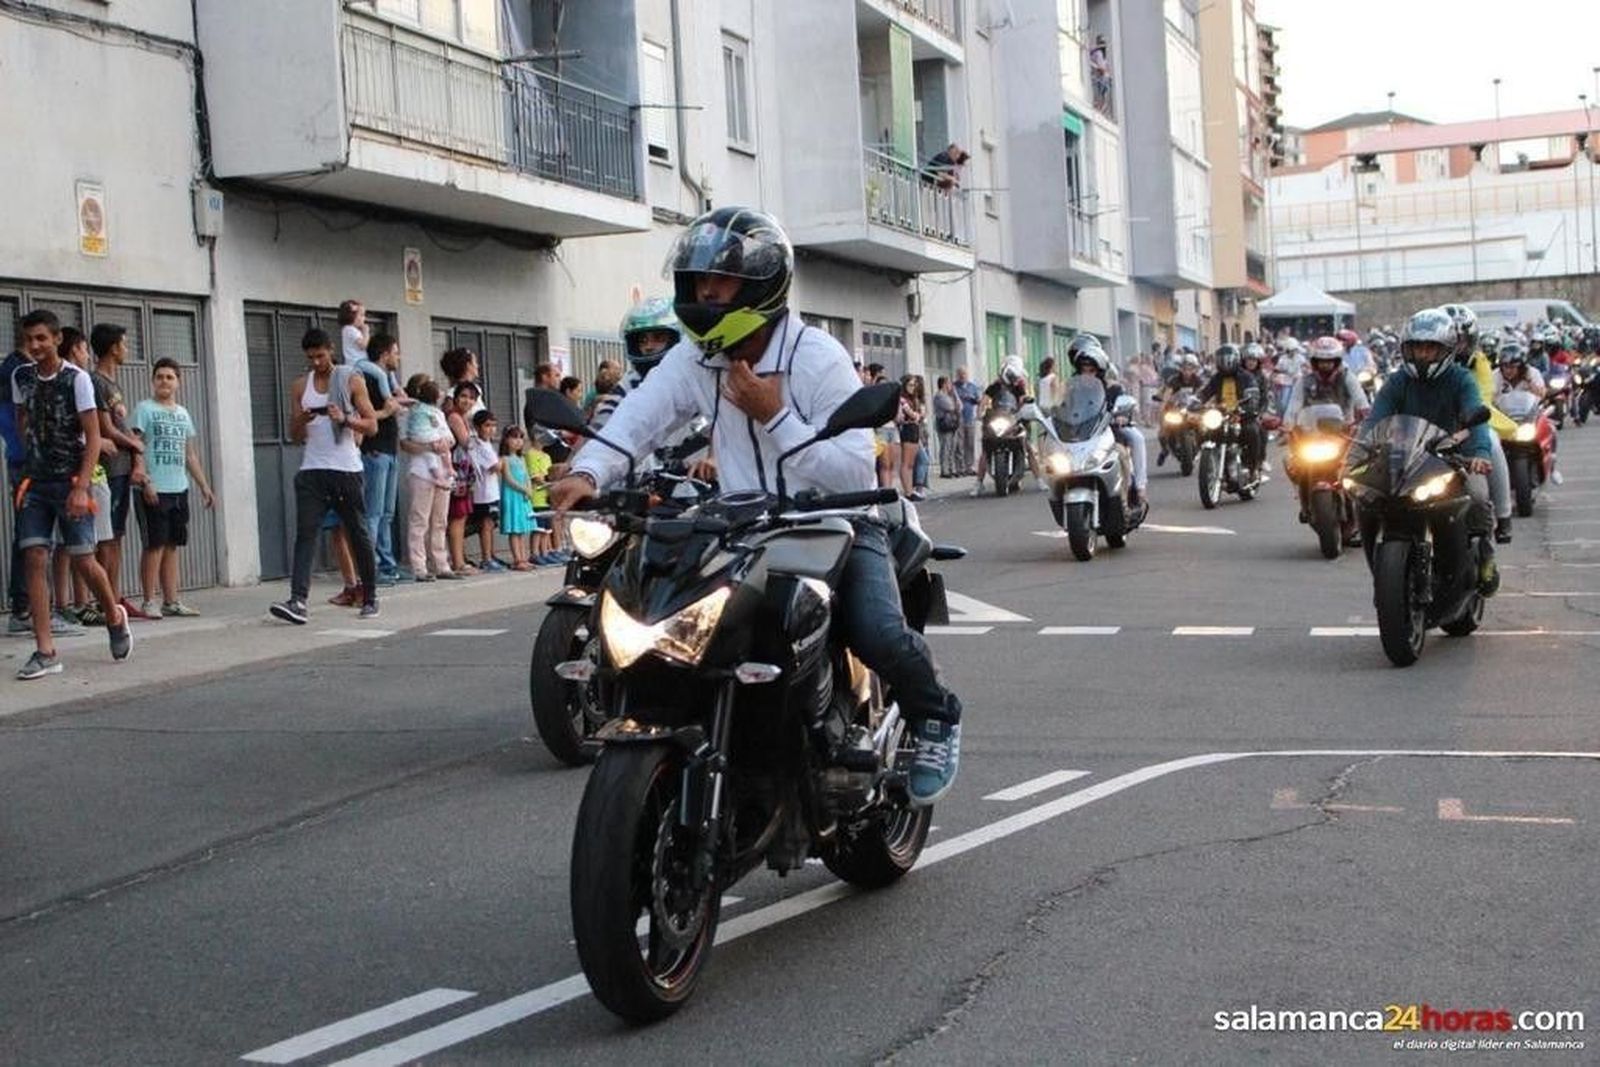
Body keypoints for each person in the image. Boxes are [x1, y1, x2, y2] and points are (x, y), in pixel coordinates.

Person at [546, 205, 963, 805]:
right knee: (678, 625)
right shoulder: (695, 359)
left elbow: (852, 466)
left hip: (836, 522)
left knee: (877, 632)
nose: (704, 294)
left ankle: (936, 718)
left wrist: (776, 414)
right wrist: (588, 470)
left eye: (719, 283)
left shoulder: (814, 357)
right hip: (743, 527)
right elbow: (642, 417)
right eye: (697, 283)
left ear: (761, 286)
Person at [11, 309, 132, 678]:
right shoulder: (21, 377)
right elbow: (22, 423)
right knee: (34, 556)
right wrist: (30, 466)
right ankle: (45, 650)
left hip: (71, 482)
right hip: (35, 483)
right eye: (29, 339)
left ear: (56, 339)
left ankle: (113, 614)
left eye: (42, 338)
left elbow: (94, 436)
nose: (35, 345)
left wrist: (81, 486)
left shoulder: (77, 379)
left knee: (83, 559)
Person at [1357, 308, 1499, 590]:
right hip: (1404, 459)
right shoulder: (1398, 381)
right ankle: (1383, 575)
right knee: (1364, 498)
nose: (1422, 355)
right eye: (1416, 348)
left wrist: (1480, 454)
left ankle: (1485, 556)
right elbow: (1375, 419)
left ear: (1446, 349)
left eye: (1430, 348)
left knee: (1479, 496)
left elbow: (1476, 416)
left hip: (1451, 458)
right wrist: (1360, 452)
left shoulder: (1461, 380)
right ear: (1405, 349)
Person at [268, 328, 381, 625]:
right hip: (312, 469)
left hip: (345, 469)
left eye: (321, 356)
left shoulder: (350, 379)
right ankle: (298, 600)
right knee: (306, 534)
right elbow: (294, 436)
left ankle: (369, 596)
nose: (317, 362)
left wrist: (344, 419)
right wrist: (300, 420)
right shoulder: (299, 386)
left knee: (358, 532)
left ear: (331, 350)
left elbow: (372, 426)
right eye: (311, 358)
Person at [129, 358, 215, 617]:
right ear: (153, 381)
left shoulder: (183, 414)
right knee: (154, 545)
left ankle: (171, 600)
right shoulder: (144, 409)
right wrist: (145, 480)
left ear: (178, 382)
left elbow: (190, 455)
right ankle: (148, 601)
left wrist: (204, 487)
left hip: (179, 488)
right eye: (160, 376)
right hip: (154, 489)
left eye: (169, 377)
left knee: (171, 545)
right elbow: (136, 446)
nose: (164, 381)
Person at [1441, 304, 1515, 544]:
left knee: (1492, 443)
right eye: (1451, 338)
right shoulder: (1427, 361)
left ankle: (1503, 515)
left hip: (1471, 421)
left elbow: (1482, 397)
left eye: (1461, 339)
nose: (1456, 344)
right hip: (1435, 427)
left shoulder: (1479, 363)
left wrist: (1466, 423)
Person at [89, 323, 145, 621]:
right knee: (106, 538)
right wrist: (135, 443)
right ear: (112, 347)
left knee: (118, 535)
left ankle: (115, 594)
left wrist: (134, 451)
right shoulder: (95, 381)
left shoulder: (115, 384)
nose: (126, 349)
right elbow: (106, 427)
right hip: (107, 470)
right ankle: (104, 601)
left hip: (123, 468)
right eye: (124, 344)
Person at [1066, 334, 1148, 513]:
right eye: (1084, 369)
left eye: (1091, 369)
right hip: (1080, 437)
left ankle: (1127, 500)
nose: (1087, 372)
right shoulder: (1071, 389)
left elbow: (1123, 404)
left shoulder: (1112, 388)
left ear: (1099, 370)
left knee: (1121, 454)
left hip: (1106, 435)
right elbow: (1061, 408)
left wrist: (1122, 416)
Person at [354, 332, 410, 584]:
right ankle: (370, 568)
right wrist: (387, 411)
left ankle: (388, 564)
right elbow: (361, 417)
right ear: (385, 353)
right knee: (374, 513)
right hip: (375, 450)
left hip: (389, 449)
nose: (398, 357)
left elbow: (393, 404)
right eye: (395, 352)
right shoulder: (367, 377)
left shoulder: (385, 377)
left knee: (387, 513)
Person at [401, 374, 457, 581]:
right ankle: (419, 566)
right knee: (419, 519)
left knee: (440, 520)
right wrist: (429, 445)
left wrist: (443, 444)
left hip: (441, 469)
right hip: (421, 471)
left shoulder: (438, 414)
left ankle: (441, 563)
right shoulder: (411, 414)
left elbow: (450, 438)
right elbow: (405, 443)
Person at [1197, 343, 1269, 477]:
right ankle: (1208, 458)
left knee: (1252, 431)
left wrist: (1249, 407)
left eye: (1228, 360)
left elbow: (1253, 395)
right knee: (1204, 429)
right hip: (1221, 415)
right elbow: (1205, 392)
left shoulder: (1247, 376)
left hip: (1242, 415)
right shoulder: (1217, 378)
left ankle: (1253, 468)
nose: (1225, 364)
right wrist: (1195, 401)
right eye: (1222, 360)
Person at [444, 380, 479, 575]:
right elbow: (467, 443)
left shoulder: (463, 418)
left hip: (462, 471)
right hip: (457, 472)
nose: (467, 401)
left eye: (471, 398)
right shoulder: (455, 418)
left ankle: (458, 558)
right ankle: (458, 562)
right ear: (456, 397)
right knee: (458, 516)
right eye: (463, 396)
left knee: (459, 516)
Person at [467, 408, 503, 570]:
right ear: (478, 427)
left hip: (491, 491)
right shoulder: (478, 445)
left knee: (491, 524)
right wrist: (502, 462)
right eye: (487, 426)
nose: (491, 429)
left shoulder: (487, 444)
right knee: (486, 525)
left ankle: (491, 554)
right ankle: (486, 558)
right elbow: (495, 467)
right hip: (484, 494)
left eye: (494, 426)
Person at [498, 425, 534, 570]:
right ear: (506, 440)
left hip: (523, 496)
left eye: (520, 438)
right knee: (514, 528)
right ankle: (517, 559)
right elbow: (508, 478)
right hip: (512, 495)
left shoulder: (521, 459)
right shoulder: (504, 459)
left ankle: (524, 557)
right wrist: (523, 488)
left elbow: (527, 476)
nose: (518, 441)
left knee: (521, 529)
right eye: (514, 437)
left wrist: (529, 490)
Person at [897, 374, 925, 499]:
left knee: (911, 463)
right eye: (910, 385)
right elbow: (912, 414)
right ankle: (907, 492)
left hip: (915, 429)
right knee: (906, 462)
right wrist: (917, 415)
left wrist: (918, 415)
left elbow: (920, 414)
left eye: (914, 385)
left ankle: (910, 490)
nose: (913, 387)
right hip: (907, 429)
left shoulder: (914, 399)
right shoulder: (902, 399)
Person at [953, 364, 980, 476]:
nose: (962, 376)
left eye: (964, 374)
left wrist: (972, 398)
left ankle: (970, 466)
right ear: (957, 375)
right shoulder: (954, 386)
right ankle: (960, 468)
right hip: (958, 419)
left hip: (970, 418)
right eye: (960, 374)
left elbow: (979, 400)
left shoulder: (972, 387)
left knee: (970, 444)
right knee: (959, 444)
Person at [933, 375, 960, 478]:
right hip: (944, 424)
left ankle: (951, 469)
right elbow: (951, 407)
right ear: (944, 384)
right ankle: (944, 470)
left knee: (952, 447)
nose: (951, 386)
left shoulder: (950, 395)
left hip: (952, 424)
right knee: (945, 447)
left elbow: (959, 406)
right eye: (949, 383)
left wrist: (955, 394)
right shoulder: (940, 396)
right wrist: (955, 405)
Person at [337, 300, 368, 366]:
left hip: (358, 362)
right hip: (358, 362)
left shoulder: (349, 329)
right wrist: (366, 332)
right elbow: (363, 345)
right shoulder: (350, 329)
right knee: (379, 374)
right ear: (352, 316)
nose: (364, 318)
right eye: (361, 315)